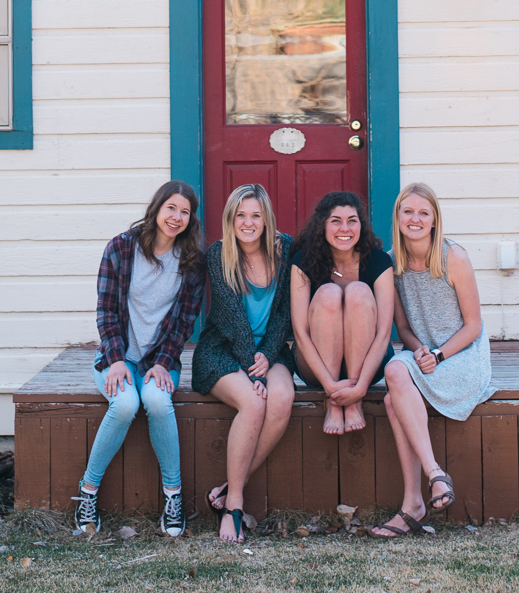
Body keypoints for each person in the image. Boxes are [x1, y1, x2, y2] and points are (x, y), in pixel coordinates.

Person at [76, 181, 207, 538]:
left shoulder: (192, 262)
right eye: (171, 208)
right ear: (157, 209)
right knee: (123, 405)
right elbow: (106, 310)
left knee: (157, 403)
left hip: (159, 361)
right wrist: (116, 359)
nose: (177, 217)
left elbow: (184, 323)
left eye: (185, 212)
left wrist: (163, 363)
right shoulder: (121, 248)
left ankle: (173, 497)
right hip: (117, 358)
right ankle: (87, 492)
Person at [373, 181, 492, 536]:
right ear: (397, 217)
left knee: (394, 389)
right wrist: (418, 348)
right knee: (394, 382)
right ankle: (430, 482)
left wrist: (438, 354)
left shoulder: (453, 257)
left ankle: (420, 494)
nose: (415, 219)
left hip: (462, 356)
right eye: (407, 211)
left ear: (435, 220)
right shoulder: (391, 264)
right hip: (422, 356)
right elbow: (404, 327)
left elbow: (474, 326)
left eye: (423, 213)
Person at [192, 183, 296, 543]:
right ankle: (233, 505)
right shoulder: (218, 255)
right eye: (241, 215)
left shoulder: (286, 250)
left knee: (282, 398)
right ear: (230, 219)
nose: (248, 223)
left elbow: (284, 313)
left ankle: (227, 485)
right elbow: (233, 318)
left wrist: (267, 357)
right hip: (222, 351)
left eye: (255, 215)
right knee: (254, 403)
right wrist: (253, 367)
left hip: (271, 350)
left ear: (266, 219)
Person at [289, 190, 394, 436]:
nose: (344, 228)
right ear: (322, 226)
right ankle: (334, 406)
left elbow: (384, 333)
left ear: (361, 226)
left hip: (369, 365)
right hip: (316, 367)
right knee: (328, 293)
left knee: (358, 291)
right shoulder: (303, 261)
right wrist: (330, 388)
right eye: (335, 220)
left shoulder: (379, 262)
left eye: (352, 220)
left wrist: (360, 390)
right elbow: (300, 333)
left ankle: (354, 402)